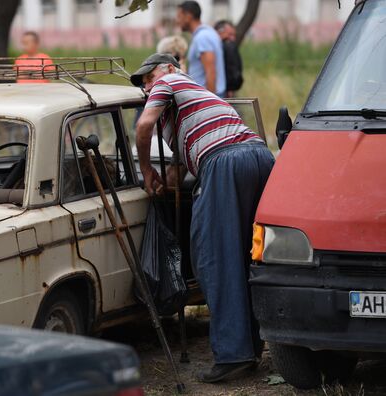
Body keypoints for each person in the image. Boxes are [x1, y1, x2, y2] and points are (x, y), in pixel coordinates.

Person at [130, 53, 274, 383]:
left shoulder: (170, 81)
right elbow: (180, 170)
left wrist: (145, 168)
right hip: (259, 157)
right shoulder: (196, 103)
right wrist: (159, 180)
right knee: (251, 255)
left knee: (213, 258)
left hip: (226, 163)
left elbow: (142, 126)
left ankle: (233, 355)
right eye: (142, 85)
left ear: (168, 68)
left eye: (147, 78)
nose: (146, 87)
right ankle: (253, 345)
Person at [176, 1, 226, 97]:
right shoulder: (207, 33)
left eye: (179, 16)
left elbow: (210, 72)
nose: (177, 21)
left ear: (188, 16)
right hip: (206, 97)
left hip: (206, 99)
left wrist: (211, 105)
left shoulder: (203, 37)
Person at [214, 20, 244, 98]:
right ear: (219, 32)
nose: (233, 39)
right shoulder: (227, 46)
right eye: (230, 35)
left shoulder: (227, 46)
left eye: (234, 35)